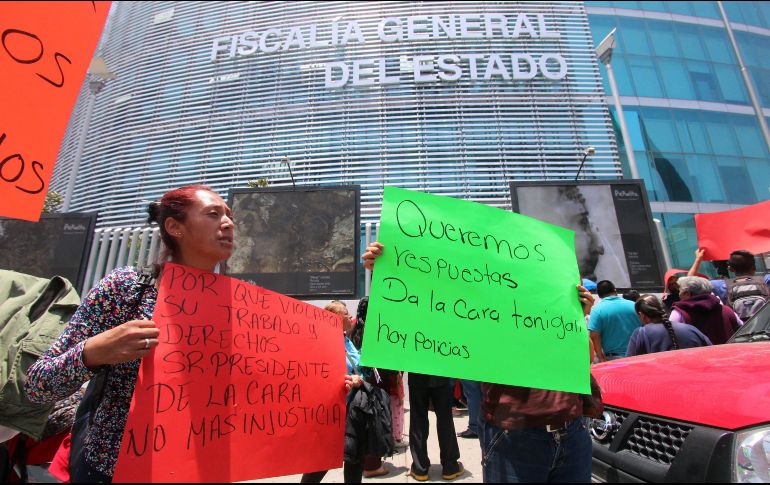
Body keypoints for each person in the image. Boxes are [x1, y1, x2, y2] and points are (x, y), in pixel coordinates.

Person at [24, 185, 358, 483]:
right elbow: (39, 385)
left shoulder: (246, 306)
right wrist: (94, 351)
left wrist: (325, 386)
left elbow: (260, 388)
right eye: (213, 214)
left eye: (229, 215)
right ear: (174, 227)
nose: (228, 223)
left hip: (206, 468)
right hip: (113, 470)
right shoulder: (127, 288)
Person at [362, 243, 464, 482]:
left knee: (419, 418)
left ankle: (420, 468)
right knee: (444, 418)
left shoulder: (413, 302)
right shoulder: (446, 303)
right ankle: (450, 466)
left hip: (418, 368)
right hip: (441, 367)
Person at [301, 300, 368, 483]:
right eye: (346, 314)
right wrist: (352, 379)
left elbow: (357, 365)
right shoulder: (326, 343)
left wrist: (361, 376)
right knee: (322, 461)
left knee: (354, 460)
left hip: (354, 412)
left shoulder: (346, 339)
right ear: (337, 319)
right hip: (335, 413)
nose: (351, 317)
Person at [689, 249, 770, 319]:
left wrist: (698, 259)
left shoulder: (721, 285)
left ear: (730, 269)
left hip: (740, 332)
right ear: (754, 267)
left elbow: (689, 281)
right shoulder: (766, 281)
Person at [625, 294, 711, 357]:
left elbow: (630, 364)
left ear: (642, 315)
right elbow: (711, 354)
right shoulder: (691, 329)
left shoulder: (641, 334)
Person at [671, 276, 740, 345]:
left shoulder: (679, 313)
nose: (679, 295)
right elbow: (742, 330)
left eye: (680, 291)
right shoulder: (727, 310)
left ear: (687, 293)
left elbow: (670, 336)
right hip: (729, 353)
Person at [588, 280, 641, 361]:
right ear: (615, 290)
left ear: (598, 294)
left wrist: (601, 357)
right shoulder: (634, 305)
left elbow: (594, 336)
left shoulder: (597, 310)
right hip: (639, 355)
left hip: (614, 359)